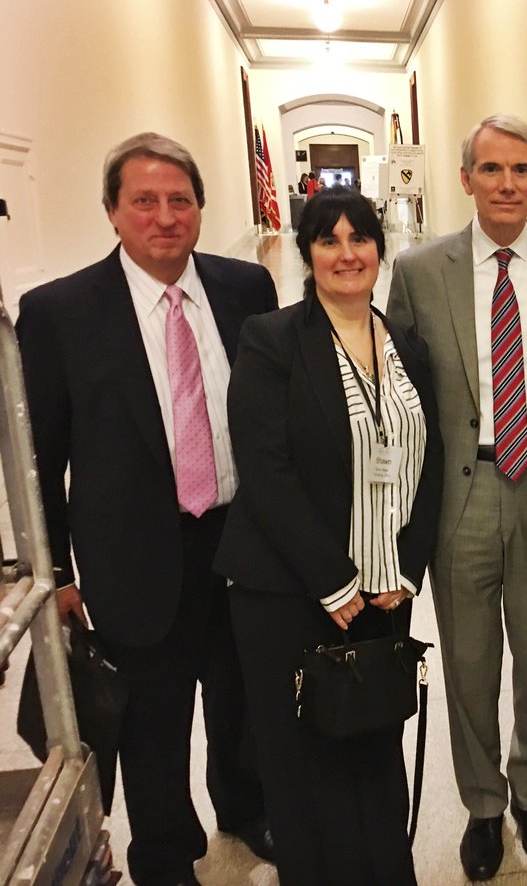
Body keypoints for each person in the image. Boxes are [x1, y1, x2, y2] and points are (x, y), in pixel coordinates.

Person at [16, 132, 273, 886]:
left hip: (240, 539)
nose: (165, 217)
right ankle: (165, 853)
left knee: (242, 694)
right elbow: (39, 462)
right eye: (145, 201)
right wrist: (57, 574)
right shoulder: (59, 313)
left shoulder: (245, 289)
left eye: (180, 200)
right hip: (133, 555)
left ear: (200, 208)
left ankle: (245, 805)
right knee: (154, 721)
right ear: (112, 211)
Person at [387, 114, 527, 881]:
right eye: (491, 169)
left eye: (520, 169)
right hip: (462, 492)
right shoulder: (419, 270)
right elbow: (398, 386)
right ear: (465, 179)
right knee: (470, 662)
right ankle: (482, 805)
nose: (506, 183)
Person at [213, 187, 442, 885]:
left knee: (374, 746)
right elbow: (266, 470)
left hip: (383, 594)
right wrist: (333, 580)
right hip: (289, 590)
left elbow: (429, 462)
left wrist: (406, 570)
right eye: (328, 240)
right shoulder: (271, 339)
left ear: (381, 249)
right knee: (302, 760)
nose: (347, 254)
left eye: (359, 238)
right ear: (307, 253)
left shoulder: (408, 346)